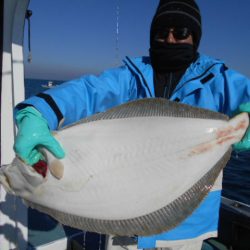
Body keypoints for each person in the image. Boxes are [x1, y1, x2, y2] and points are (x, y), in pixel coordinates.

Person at [13, 0, 250, 249]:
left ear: (195, 38)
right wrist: (36, 112)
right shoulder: (131, 77)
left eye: (180, 33)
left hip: (187, 232)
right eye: (161, 33)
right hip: (124, 224)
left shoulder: (219, 80)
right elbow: (88, 91)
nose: (169, 40)